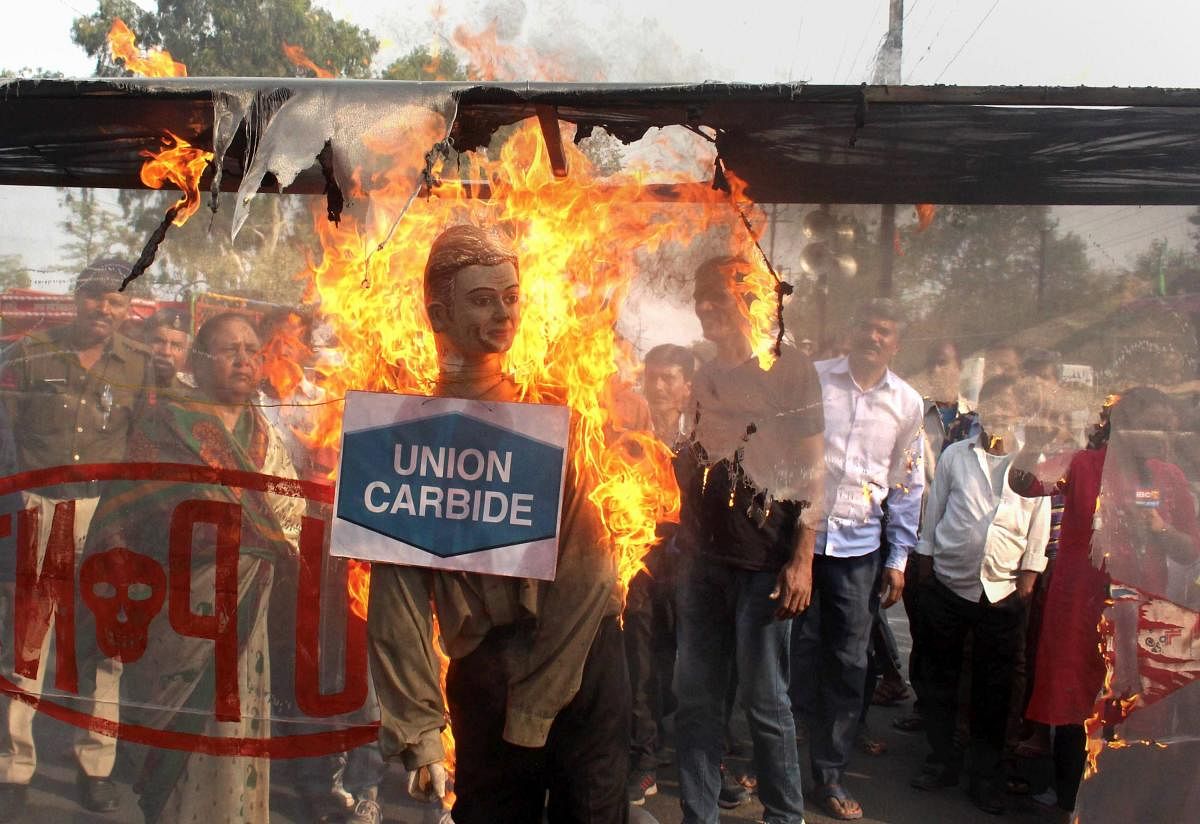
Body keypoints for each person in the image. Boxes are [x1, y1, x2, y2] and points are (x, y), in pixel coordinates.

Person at [366, 224, 629, 824]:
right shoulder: (403, 433)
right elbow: (397, 591)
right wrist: (421, 727)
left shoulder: (558, 413)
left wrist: (535, 705)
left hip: (580, 659)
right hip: (486, 669)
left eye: (511, 296)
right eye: (483, 299)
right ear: (438, 312)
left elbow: (588, 575)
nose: (504, 313)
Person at [80, 311, 304, 823]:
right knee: (182, 734)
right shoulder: (167, 424)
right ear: (200, 362)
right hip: (178, 616)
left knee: (240, 723)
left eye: (252, 349)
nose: (245, 359)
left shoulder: (262, 431)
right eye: (230, 350)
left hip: (249, 616)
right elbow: (133, 511)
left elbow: (288, 512)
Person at [0, 258, 153, 819]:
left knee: (106, 646)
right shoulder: (32, 353)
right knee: (27, 644)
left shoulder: (140, 366)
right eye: (95, 297)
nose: (104, 310)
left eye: (116, 301)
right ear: (75, 298)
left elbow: (142, 447)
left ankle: (96, 766)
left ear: (127, 310)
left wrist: (129, 519)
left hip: (106, 512)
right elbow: (4, 434)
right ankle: (14, 769)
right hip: (38, 506)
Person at [673, 256, 824, 824]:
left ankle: (785, 816)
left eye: (718, 297)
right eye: (700, 296)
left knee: (765, 703)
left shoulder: (791, 370)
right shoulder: (699, 371)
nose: (705, 307)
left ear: (753, 301)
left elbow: (814, 471)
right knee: (695, 702)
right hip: (699, 560)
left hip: (764, 561)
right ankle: (698, 815)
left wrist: (802, 559)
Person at [1009, 387, 1200, 821]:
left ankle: (1113, 804)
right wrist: (1034, 443)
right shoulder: (1082, 463)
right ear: (1124, 426)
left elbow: (1191, 550)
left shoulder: (1168, 478)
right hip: (1080, 609)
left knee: (1130, 713)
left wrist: (1159, 529)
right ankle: (1068, 802)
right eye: (1152, 425)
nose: (1162, 436)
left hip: (1138, 613)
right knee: (1077, 706)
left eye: (1167, 427)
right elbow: (1024, 484)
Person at [790, 298, 924, 821]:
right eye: (867, 326)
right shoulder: (813, 379)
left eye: (884, 331)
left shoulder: (908, 404)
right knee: (785, 652)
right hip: (799, 539)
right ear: (852, 331)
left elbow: (907, 484)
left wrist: (899, 558)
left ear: (896, 343)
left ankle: (828, 774)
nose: (873, 337)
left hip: (858, 549)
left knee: (849, 663)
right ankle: (769, 756)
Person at [909, 376, 1049, 814]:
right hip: (949, 582)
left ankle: (984, 776)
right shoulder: (955, 455)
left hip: (1002, 589)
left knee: (994, 689)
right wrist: (926, 561)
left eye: (1009, 406)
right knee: (940, 679)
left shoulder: (1033, 462)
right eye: (994, 405)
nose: (1000, 414)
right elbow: (935, 511)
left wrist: (1029, 572)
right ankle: (941, 761)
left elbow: (1039, 523)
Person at [625, 344, 693, 805]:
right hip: (642, 568)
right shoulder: (629, 437)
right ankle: (644, 760)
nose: (660, 386)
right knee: (641, 668)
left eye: (670, 378)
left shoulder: (707, 442)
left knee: (695, 671)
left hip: (693, 573)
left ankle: (704, 761)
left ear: (688, 387)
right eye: (653, 377)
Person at [143, 308, 193, 392]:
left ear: (186, 353)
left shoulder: (191, 391)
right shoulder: (130, 377)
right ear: (145, 342)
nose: (166, 352)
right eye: (159, 341)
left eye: (176, 345)